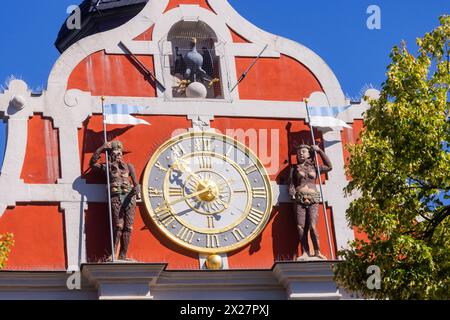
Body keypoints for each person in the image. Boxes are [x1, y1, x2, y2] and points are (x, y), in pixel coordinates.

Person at [90, 140, 141, 261]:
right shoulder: (107, 168)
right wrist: (102, 148)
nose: (118, 155)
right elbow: (92, 164)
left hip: (129, 198)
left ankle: (123, 255)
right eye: (115, 153)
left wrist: (136, 189)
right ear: (111, 155)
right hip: (116, 197)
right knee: (118, 226)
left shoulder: (129, 167)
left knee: (128, 227)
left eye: (119, 153)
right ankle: (113, 254)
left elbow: (136, 185)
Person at [288, 144, 332, 261]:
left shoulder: (315, 168)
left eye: (303, 152)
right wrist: (291, 192)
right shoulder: (294, 168)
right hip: (299, 198)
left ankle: (317, 251)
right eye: (299, 153)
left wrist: (320, 151)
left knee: (312, 225)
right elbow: (291, 184)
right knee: (301, 226)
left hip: (313, 198)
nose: (301, 154)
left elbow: (329, 166)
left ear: (308, 154)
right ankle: (305, 252)